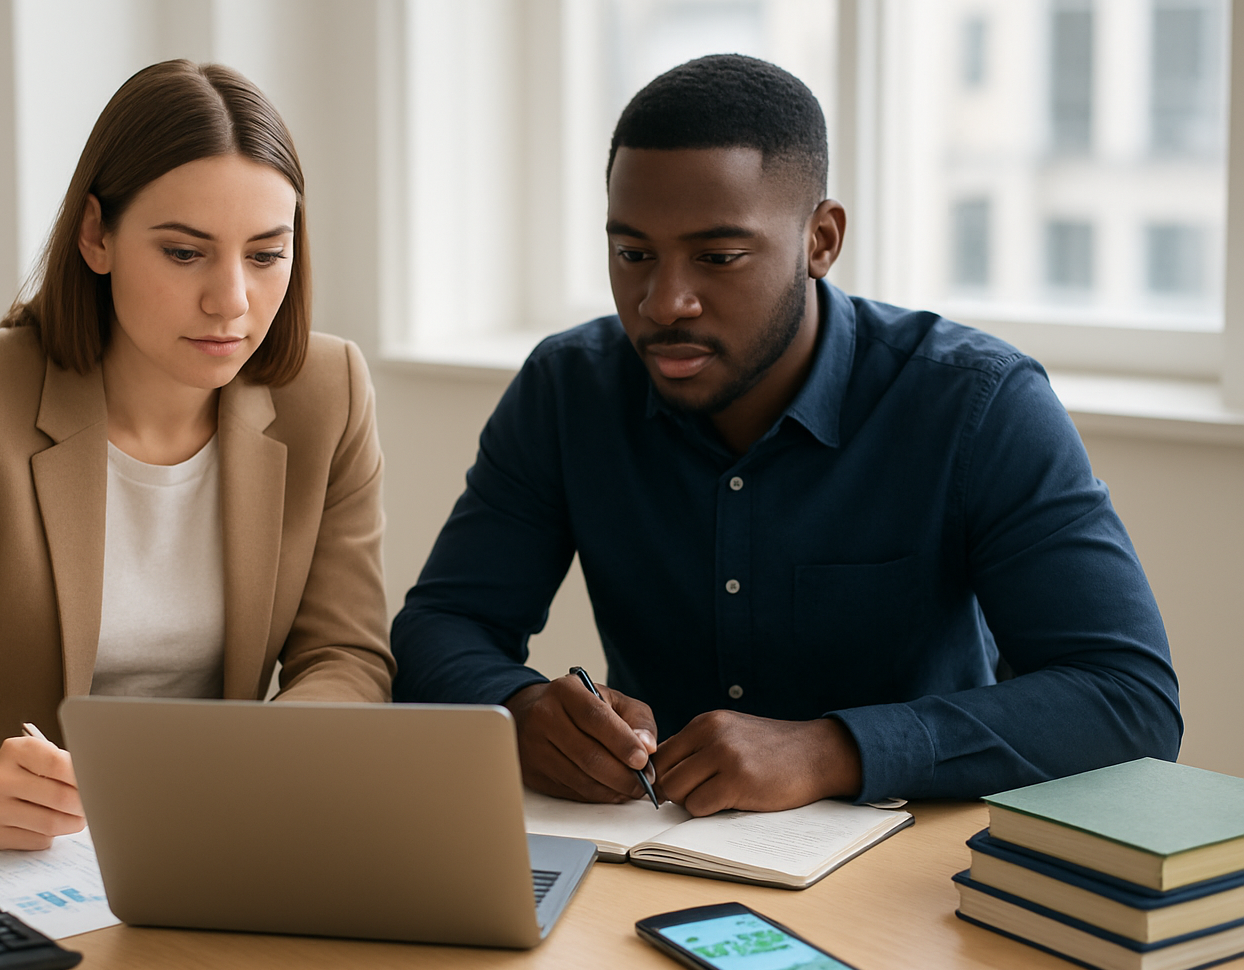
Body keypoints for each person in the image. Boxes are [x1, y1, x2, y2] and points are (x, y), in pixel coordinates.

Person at [391, 54, 1180, 815]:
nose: (665, 302)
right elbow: (439, 628)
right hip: (654, 859)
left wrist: (831, 751)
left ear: (821, 241)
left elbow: (1130, 700)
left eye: (718, 256)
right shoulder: (568, 390)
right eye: (633, 253)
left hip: (915, 878)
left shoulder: (976, 402)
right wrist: (521, 708)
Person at [0, 61, 393, 849]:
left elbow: (346, 659)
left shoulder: (327, 393)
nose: (232, 300)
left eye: (266, 255)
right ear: (97, 235)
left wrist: (252, 765)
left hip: (205, 842)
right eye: (185, 253)